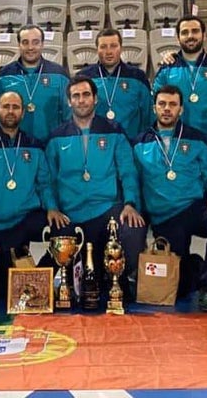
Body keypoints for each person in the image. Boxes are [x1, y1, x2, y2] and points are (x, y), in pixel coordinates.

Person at [41, 75, 147, 301]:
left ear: (95, 99)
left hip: (106, 209)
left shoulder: (114, 131)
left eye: (86, 95)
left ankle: (121, 277)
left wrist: (130, 204)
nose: (81, 100)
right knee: (80, 281)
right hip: (70, 215)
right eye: (76, 96)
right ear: (68, 101)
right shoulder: (56, 137)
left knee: (133, 229)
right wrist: (52, 208)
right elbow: (47, 179)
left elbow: (127, 171)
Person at [133, 84, 207, 312]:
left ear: (181, 109)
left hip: (194, 207)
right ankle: (196, 266)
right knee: (177, 289)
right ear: (154, 108)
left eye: (172, 104)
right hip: (165, 217)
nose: (167, 109)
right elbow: (135, 182)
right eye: (162, 104)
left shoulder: (196, 139)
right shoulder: (140, 143)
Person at [0, 91, 68, 297]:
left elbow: (44, 183)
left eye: (15, 107)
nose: (10, 111)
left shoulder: (34, 145)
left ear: (23, 113)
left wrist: (51, 208)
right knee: (7, 292)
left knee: (67, 233)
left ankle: (40, 278)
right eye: (6, 107)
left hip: (28, 219)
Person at [152, 15, 207, 156]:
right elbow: (155, 108)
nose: (190, 36)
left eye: (195, 31)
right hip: (175, 144)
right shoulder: (166, 69)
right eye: (184, 32)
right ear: (178, 38)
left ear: (204, 35)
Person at [0, 24, 70, 143]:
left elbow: (69, 114)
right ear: (19, 45)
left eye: (35, 42)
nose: (30, 47)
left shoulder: (59, 74)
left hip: (51, 145)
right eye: (25, 42)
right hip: (14, 146)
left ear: (42, 44)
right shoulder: (5, 75)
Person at [79, 28, 153, 138]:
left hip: (130, 145)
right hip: (94, 145)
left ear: (121, 48)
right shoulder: (84, 77)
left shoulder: (138, 77)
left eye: (113, 46)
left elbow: (148, 116)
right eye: (103, 47)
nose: (109, 52)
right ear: (97, 49)